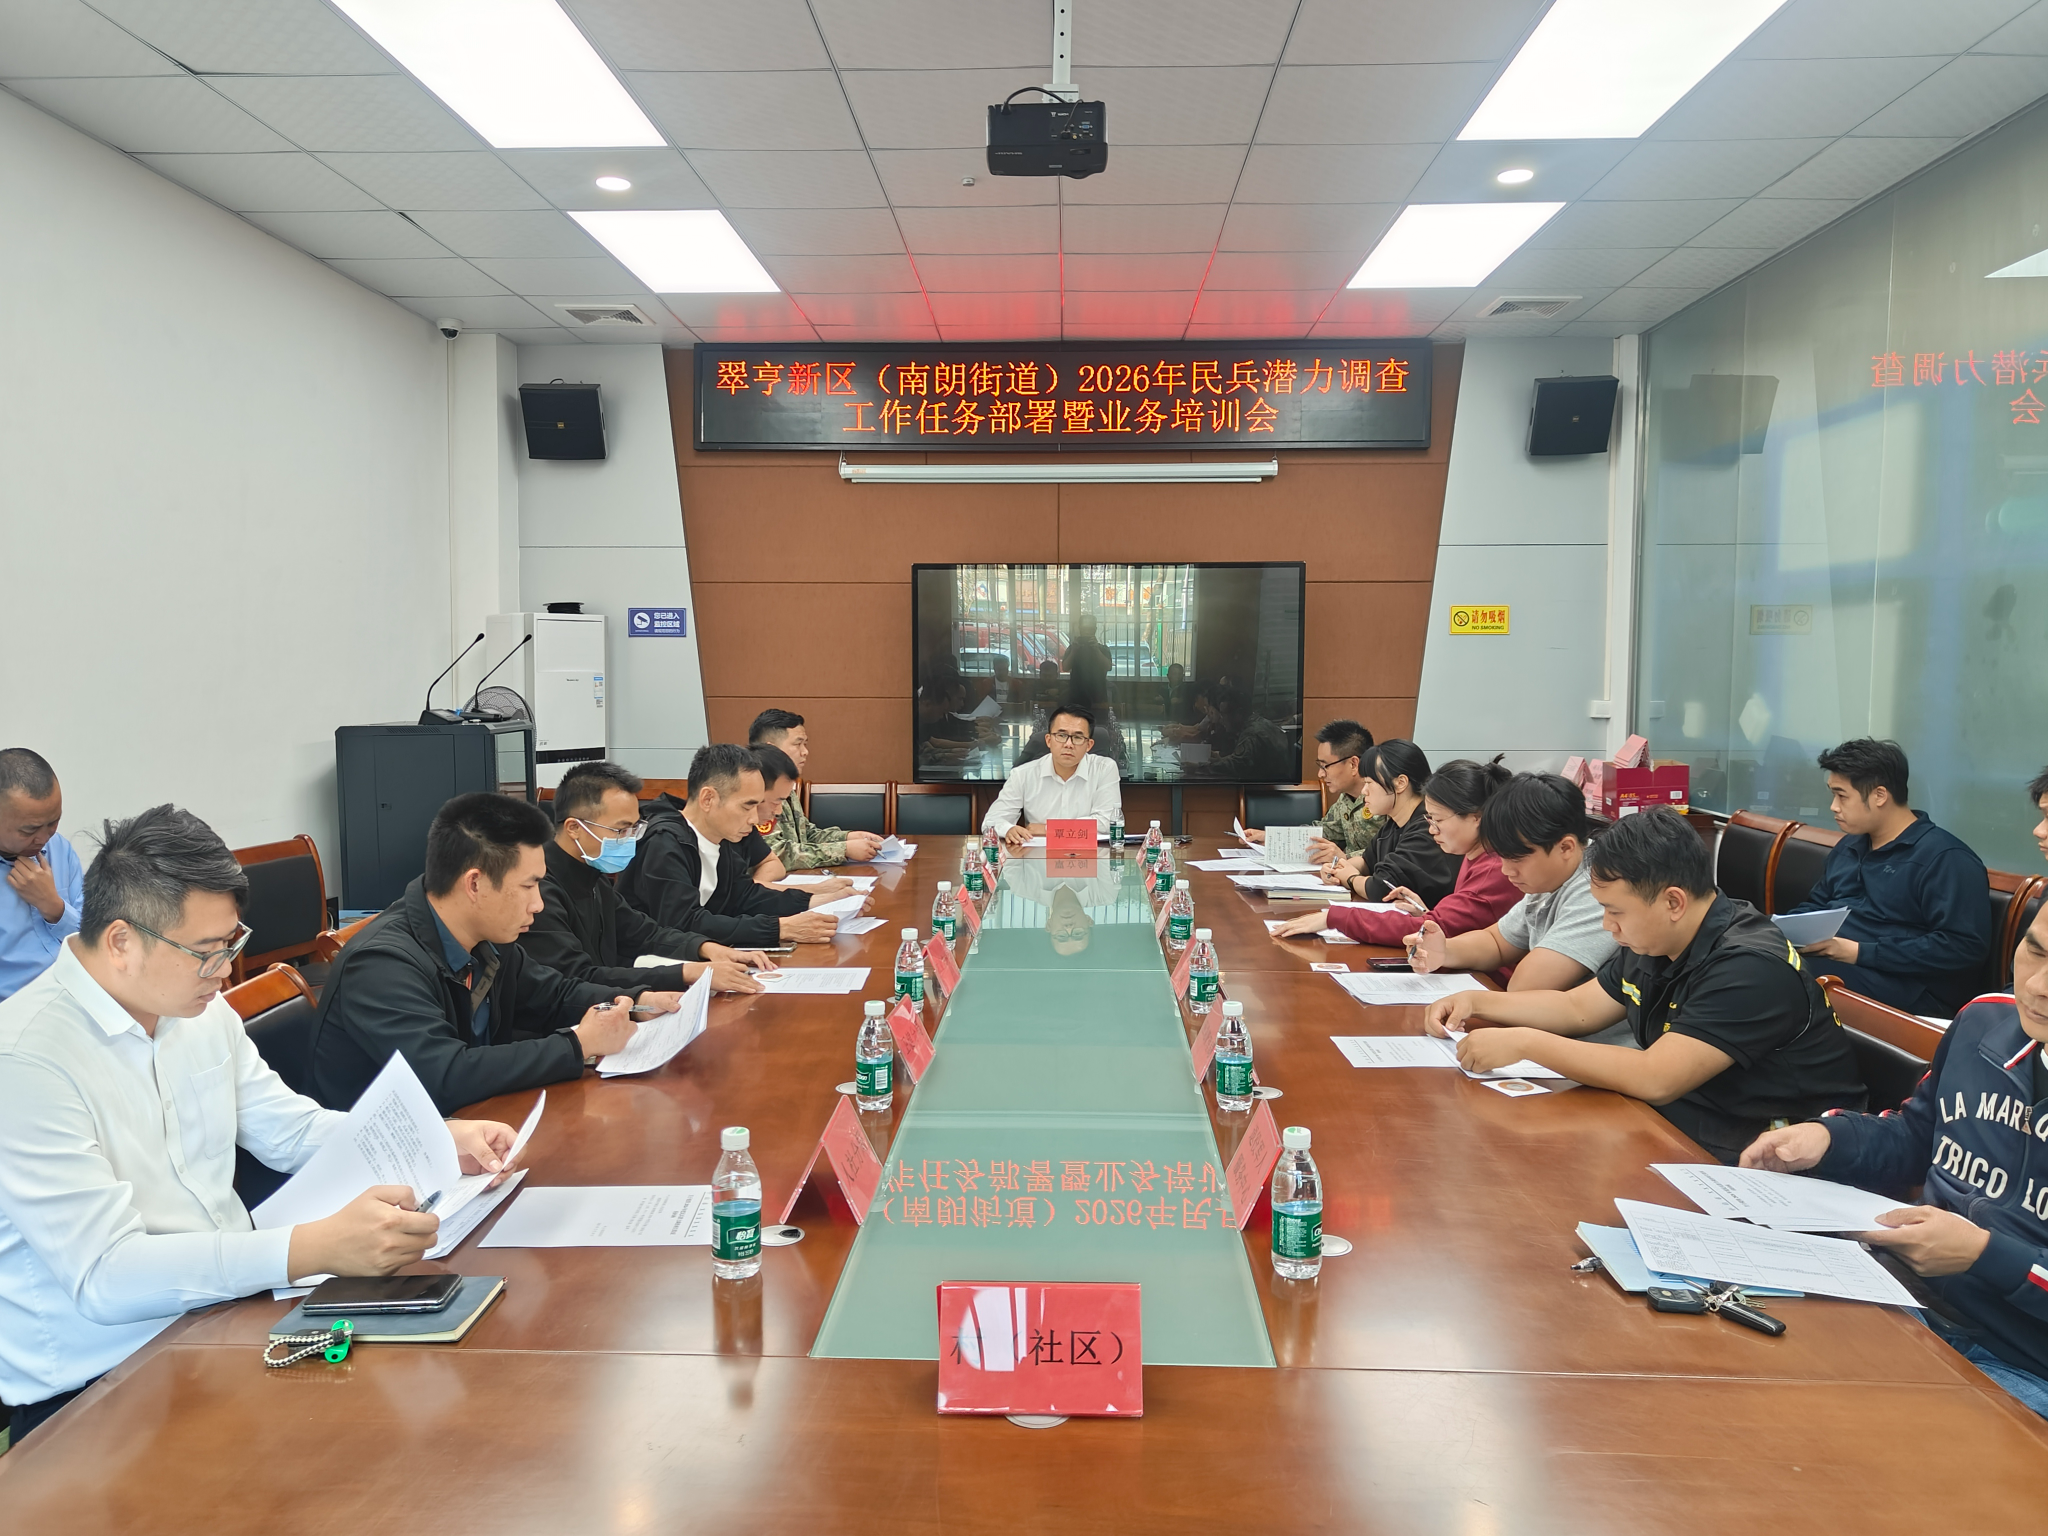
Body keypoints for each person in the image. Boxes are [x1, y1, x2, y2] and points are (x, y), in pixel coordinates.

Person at [0, 805, 516, 1445]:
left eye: (231, 944)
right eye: (207, 953)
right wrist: (310, 1248)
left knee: (437, 1412)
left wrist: (435, 1138)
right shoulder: (25, 1059)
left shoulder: (196, 1010)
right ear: (122, 943)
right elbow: (105, 1275)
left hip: (227, 1320)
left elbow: (287, 1129)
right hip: (99, 1388)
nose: (224, 972)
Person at [1740, 902, 2048, 1420]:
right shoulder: (1984, 1020)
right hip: (1901, 1294)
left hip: (2025, 1364)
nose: (2037, 986)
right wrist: (1830, 1138)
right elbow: (1917, 1136)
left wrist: (1984, 1255)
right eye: (2035, 952)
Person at [1426, 807, 1866, 1163]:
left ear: (1673, 901)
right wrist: (1476, 1002)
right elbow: (1578, 1008)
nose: (1607, 925)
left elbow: (1657, 1077)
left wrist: (1526, 1043)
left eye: (1615, 911)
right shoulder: (1659, 938)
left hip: (1770, 1149)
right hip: (1691, 1121)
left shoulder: (1749, 966)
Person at [311, 794, 668, 1116]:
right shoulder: (380, 964)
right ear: (475, 884)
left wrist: (637, 1001)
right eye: (528, 886)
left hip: (473, 1122)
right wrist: (578, 1044)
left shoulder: (487, 937)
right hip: (383, 1154)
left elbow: (554, 994)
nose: (538, 904)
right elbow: (444, 1075)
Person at [522, 761, 776, 995]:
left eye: (635, 828)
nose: (630, 839)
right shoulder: (538, 890)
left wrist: (706, 948)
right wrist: (687, 972)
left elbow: (644, 933)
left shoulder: (594, 877)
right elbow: (578, 977)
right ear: (574, 828)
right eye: (621, 829)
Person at [1781, 738, 1991, 1017]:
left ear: (1880, 795)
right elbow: (1818, 904)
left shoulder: (1946, 858)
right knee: (1759, 951)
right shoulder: (1851, 845)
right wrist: (1781, 929)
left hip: (1913, 987)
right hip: (1845, 962)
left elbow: (1963, 948)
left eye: (1842, 796)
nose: (1833, 806)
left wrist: (1859, 952)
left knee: (1788, 975)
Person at [1405, 773, 1623, 1015]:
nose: (1506, 870)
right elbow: (1497, 942)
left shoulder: (1598, 890)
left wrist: (1474, 1003)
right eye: (1502, 857)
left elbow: (1525, 987)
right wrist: (1444, 951)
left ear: (1565, 847)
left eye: (1516, 859)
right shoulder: (1549, 878)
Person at [616, 745, 850, 947]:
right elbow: (683, 923)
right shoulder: (662, 843)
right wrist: (779, 928)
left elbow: (745, 896)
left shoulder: (720, 837)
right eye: (747, 807)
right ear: (708, 799)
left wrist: (813, 901)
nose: (754, 819)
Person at [1275, 757, 1519, 948]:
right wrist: (1426, 912)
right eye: (1430, 820)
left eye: (1438, 820)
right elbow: (1457, 926)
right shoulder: (1475, 853)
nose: (1431, 830)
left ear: (1476, 818)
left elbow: (1431, 930)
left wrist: (1335, 918)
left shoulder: (1496, 869)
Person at [1324, 740, 1461, 908]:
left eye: (1369, 783)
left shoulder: (1427, 827)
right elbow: (1367, 861)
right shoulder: (1394, 822)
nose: (1364, 791)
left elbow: (1381, 889)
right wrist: (1336, 869)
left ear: (1400, 783)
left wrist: (1350, 878)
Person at [747, 709, 884, 868]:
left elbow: (806, 835)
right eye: (798, 744)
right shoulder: (757, 790)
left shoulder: (786, 786)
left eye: (805, 744)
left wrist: (848, 837)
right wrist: (843, 850)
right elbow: (774, 853)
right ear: (771, 749)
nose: (805, 752)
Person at [980, 703, 1124, 849]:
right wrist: (1009, 829)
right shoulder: (1023, 774)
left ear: (1089, 745)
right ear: (1048, 740)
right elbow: (991, 822)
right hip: (1038, 859)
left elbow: (1107, 823)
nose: (1068, 744)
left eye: (1077, 737)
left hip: (1089, 857)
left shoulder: (1104, 769)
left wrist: (1047, 829)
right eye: (1061, 735)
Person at [0, 748, 82, 1002]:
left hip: (77, 998)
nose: (44, 837)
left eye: (53, 822)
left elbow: (96, 941)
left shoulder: (61, 849)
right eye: (30, 830)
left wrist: (55, 909)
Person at [1242, 720, 1382, 862]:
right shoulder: (1345, 799)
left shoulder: (1385, 797)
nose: (1320, 774)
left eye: (1325, 766)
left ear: (1353, 764)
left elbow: (1391, 852)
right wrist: (1271, 838)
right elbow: (1322, 833)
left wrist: (1345, 858)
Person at [1190, 686, 1293, 782]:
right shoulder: (1261, 723)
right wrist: (1221, 760)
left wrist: (1199, 767)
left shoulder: (1251, 734)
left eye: (1224, 714)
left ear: (1239, 713)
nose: (1222, 718)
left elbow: (1237, 764)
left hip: (1270, 789)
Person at [1062, 615, 1112, 708]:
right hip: (1076, 696)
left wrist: (1096, 650)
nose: (1087, 632)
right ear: (1080, 629)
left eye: (1090, 629)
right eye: (1084, 629)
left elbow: (1108, 667)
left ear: (1095, 630)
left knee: (1099, 717)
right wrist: (1074, 651)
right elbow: (1065, 667)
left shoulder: (1103, 649)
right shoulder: (1073, 648)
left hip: (1098, 695)